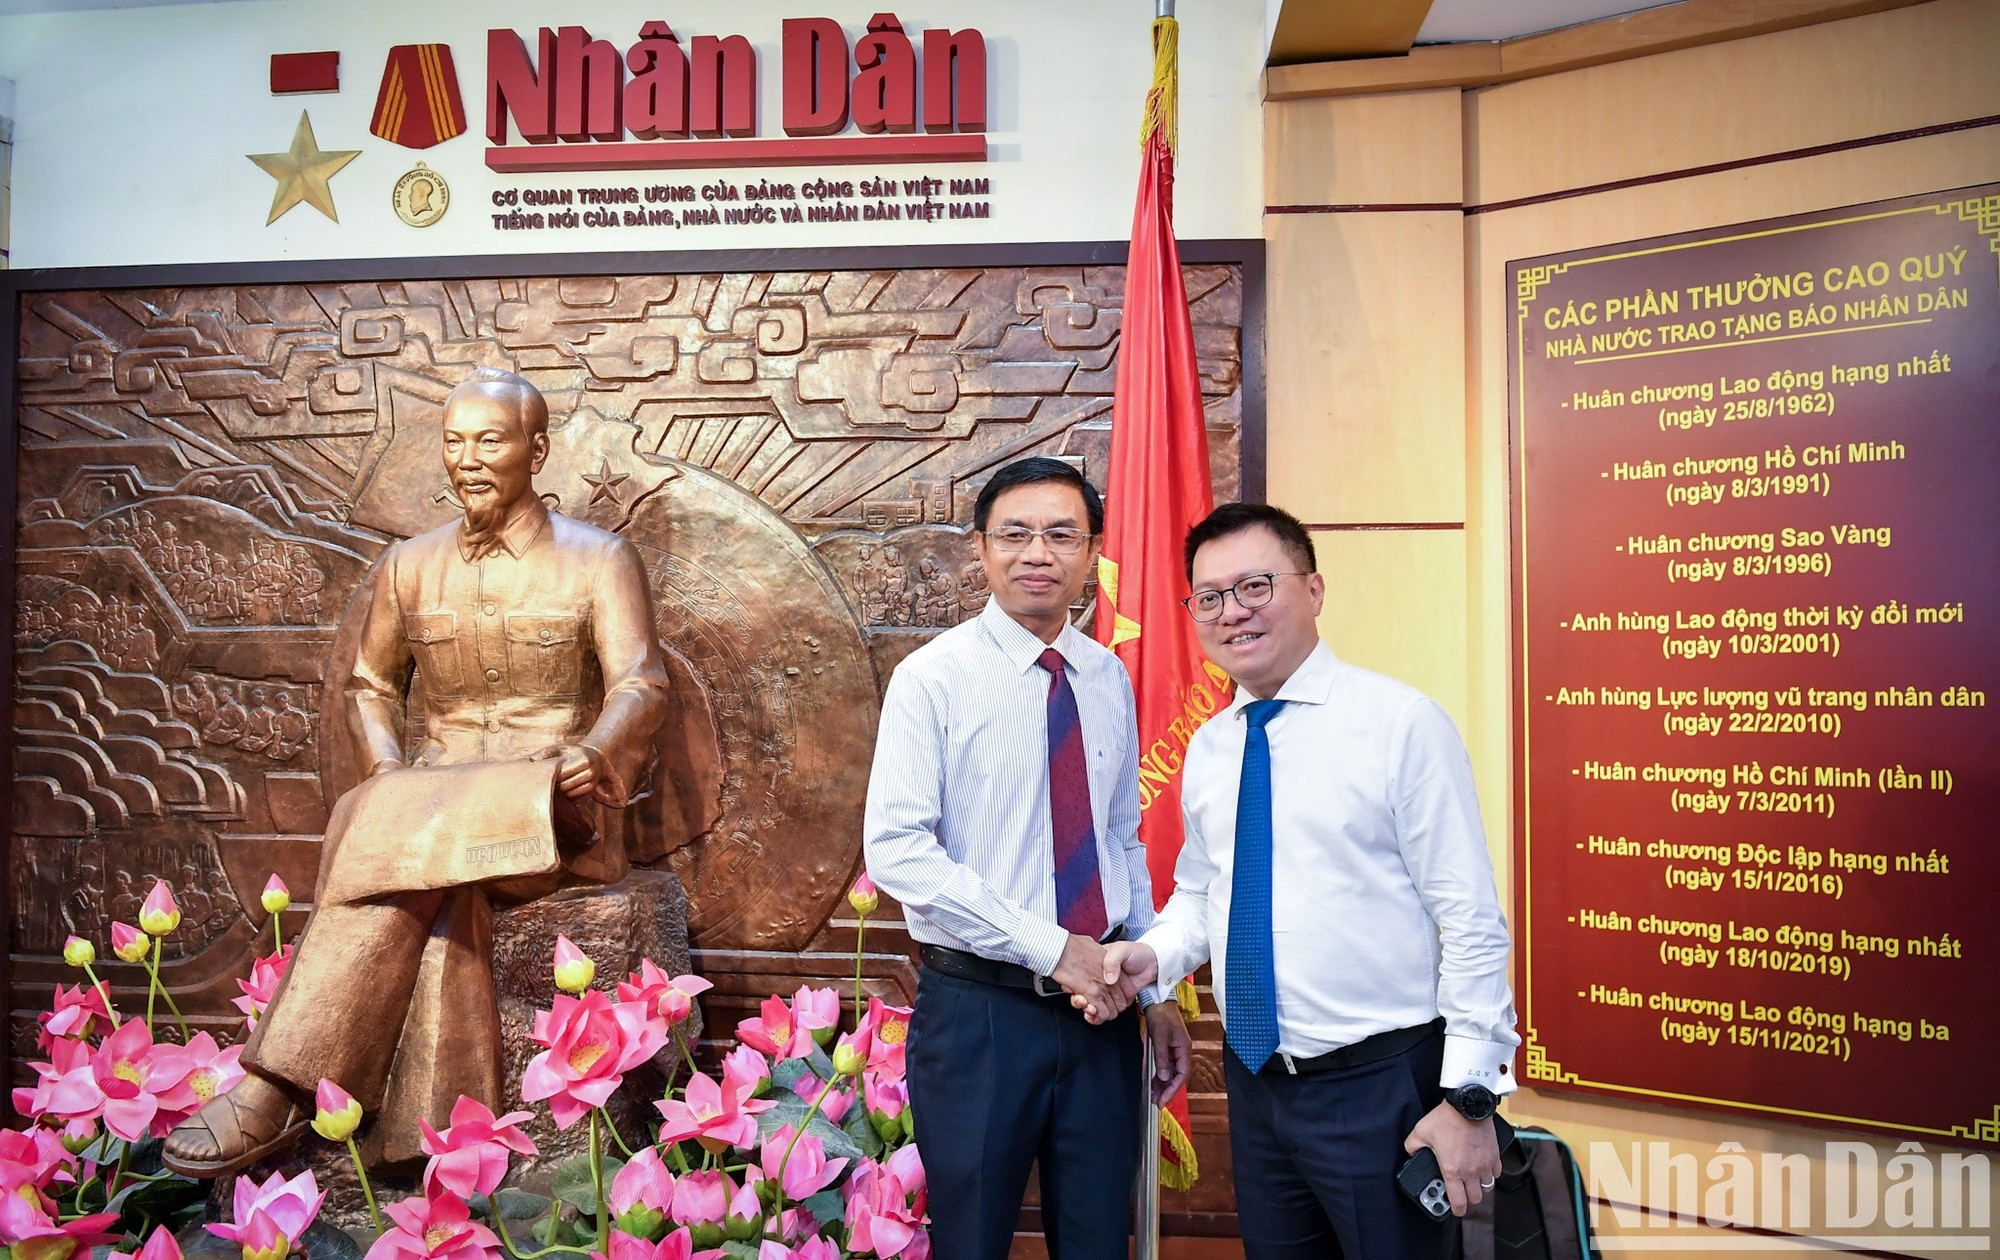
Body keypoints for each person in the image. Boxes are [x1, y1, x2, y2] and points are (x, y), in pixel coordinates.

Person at [163, 368, 671, 1174]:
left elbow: (642, 683)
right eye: (453, 442)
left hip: (549, 810)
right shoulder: (409, 564)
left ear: (536, 451)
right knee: (420, 851)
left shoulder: (600, 558)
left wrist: (595, 752)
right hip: (433, 810)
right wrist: (389, 772)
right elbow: (369, 687)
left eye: (491, 441)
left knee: (391, 833)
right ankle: (425, 1138)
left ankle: (277, 1087)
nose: (468, 460)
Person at [1091, 502, 1519, 1259]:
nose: (1233, 613)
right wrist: (1152, 957)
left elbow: (1472, 921)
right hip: (1261, 1092)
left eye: (1255, 586)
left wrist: (1470, 1099)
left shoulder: (1400, 724)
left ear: (1313, 590)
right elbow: (1202, 891)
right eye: (1210, 598)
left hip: (1383, 1088)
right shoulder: (1213, 747)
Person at [863, 456, 1191, 1260]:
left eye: (1060, 534)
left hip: (1103, 1019)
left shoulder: (1106, 675)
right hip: (981, 1017)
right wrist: (1054, 949)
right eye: (1015, 533)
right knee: (971, 1242)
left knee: (1095, 1243)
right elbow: (899, 850)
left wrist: (1159, 995)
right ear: (981, 550)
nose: (1037, 552)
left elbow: (1121, 840)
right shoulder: (930, 679)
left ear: (1092, 554)